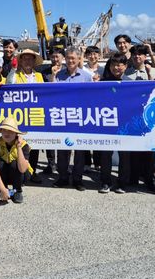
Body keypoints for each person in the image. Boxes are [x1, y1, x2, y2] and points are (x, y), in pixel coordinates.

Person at [52, 47, 93, 189]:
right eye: (68, 58)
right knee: (62, 149)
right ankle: (63, 176)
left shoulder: (87, 76)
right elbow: (54, 95)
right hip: (63, 117)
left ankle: (78, 179)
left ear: (79, 59)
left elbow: (91, 98)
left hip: (80, 118)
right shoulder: (58, 76)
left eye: (73, 58)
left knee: (80, 151)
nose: (70, 61)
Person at [123, 45, 155, 191]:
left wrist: (151, 76)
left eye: (140, 55)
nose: (137, 57)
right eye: (135, 55)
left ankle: (150, 178)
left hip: (149, 116)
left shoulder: (152, 71)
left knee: (149, 149)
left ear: (145, 57)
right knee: (133, 148)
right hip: (132, 116)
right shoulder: (126, 74)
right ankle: (133, 178)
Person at [8, 49, 49, 182]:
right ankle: (19, 171)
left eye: (30, 59)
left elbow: (44, 94)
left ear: (33, 61)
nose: (27, 61)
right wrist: (13, 69)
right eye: (24, 59)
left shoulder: (39, 76)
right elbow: (9, 85)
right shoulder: (16, 74)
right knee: (19, 144)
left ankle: (32, 171)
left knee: (34, 145)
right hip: (19, 115)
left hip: (35, 114)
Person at [99, 54, 131, 194]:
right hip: (107, 123)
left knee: (125, 155)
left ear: (125, 66)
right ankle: (105, 182)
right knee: (105, 155)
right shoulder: (102, 82)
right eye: (113, 65)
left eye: (119, 65)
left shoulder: (131, 82)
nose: (116, 68)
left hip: (125, 124)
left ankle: (122, 183)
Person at [0, 116, 32, 204]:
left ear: (16, 133)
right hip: (6, 173)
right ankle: (4, 189)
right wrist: (2, 189)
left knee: (14, 164)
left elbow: (23, 169)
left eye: (10, 130)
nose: (7, 133)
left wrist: (19, 147)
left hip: (22, 175)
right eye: (4, 130)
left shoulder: (24, 145)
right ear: (1, 131)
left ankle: (17, 191)